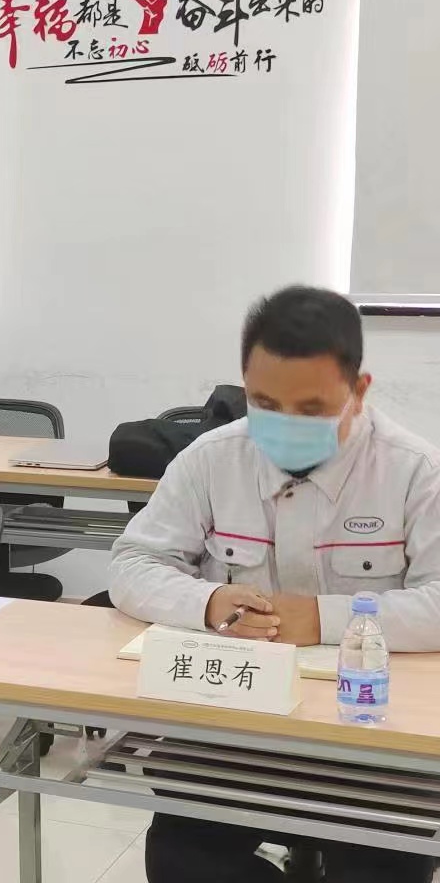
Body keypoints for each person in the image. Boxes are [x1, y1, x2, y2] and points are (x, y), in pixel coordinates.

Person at [111, 285, 440, 883]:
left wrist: (324, 619)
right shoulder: (212, 458)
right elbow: (133, 562)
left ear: (360, 391)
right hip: (238, 726)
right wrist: (208, 601)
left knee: (381, 869)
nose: (286, 424)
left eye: (311, 409)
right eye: (265, 403)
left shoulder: (414, 471)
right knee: (181, 863)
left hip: (374, 737)